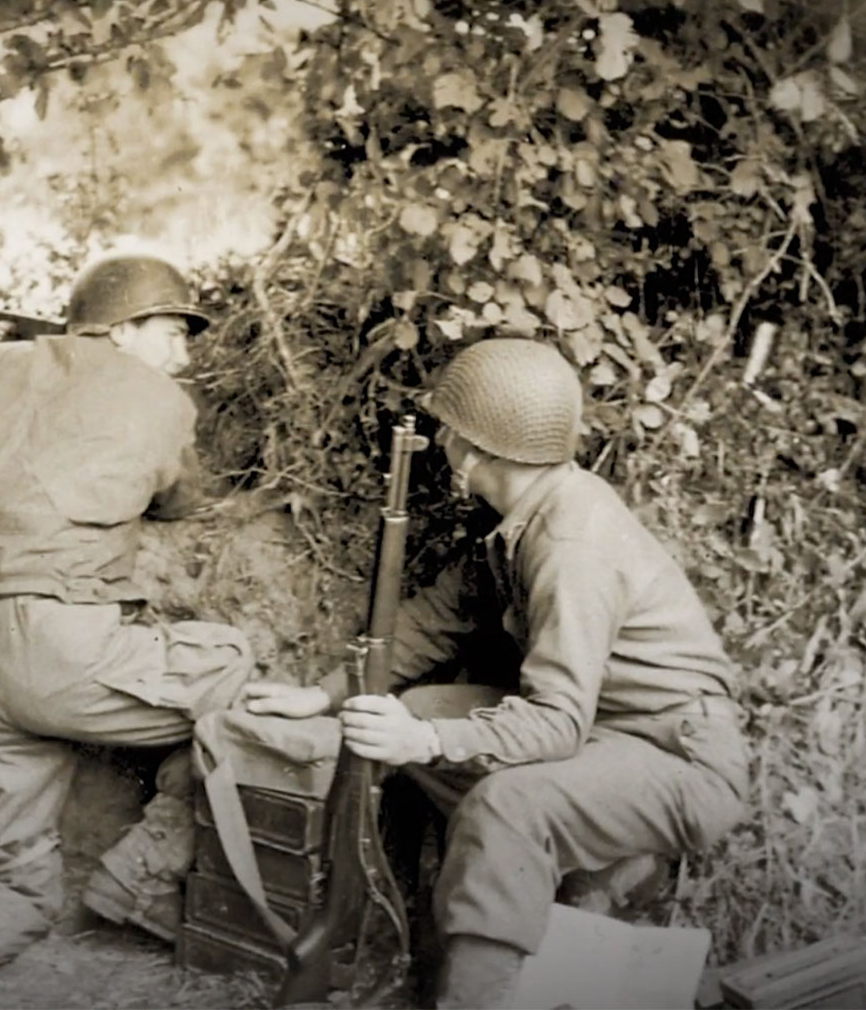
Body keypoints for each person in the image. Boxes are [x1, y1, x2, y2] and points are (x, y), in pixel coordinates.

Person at [244, 339, 750, 1008]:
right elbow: (435, 619)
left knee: (503, 806)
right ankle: (543, 897)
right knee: (425, 709)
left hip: (674, 760)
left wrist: (422, 745)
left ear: (474, 449)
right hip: (611, 733)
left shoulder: (571, 545)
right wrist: (323, 695)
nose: (442, 439)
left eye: (448, 428)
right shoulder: (531, 514)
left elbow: (559, 723)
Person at [0, 255, 258, 1008]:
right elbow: (181, 502)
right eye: (174, 331)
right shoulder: (156, 394)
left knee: (13, 884)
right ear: (124, 327)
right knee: (231, 666)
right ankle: (140, 871)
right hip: (60, 644)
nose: (185, 352)